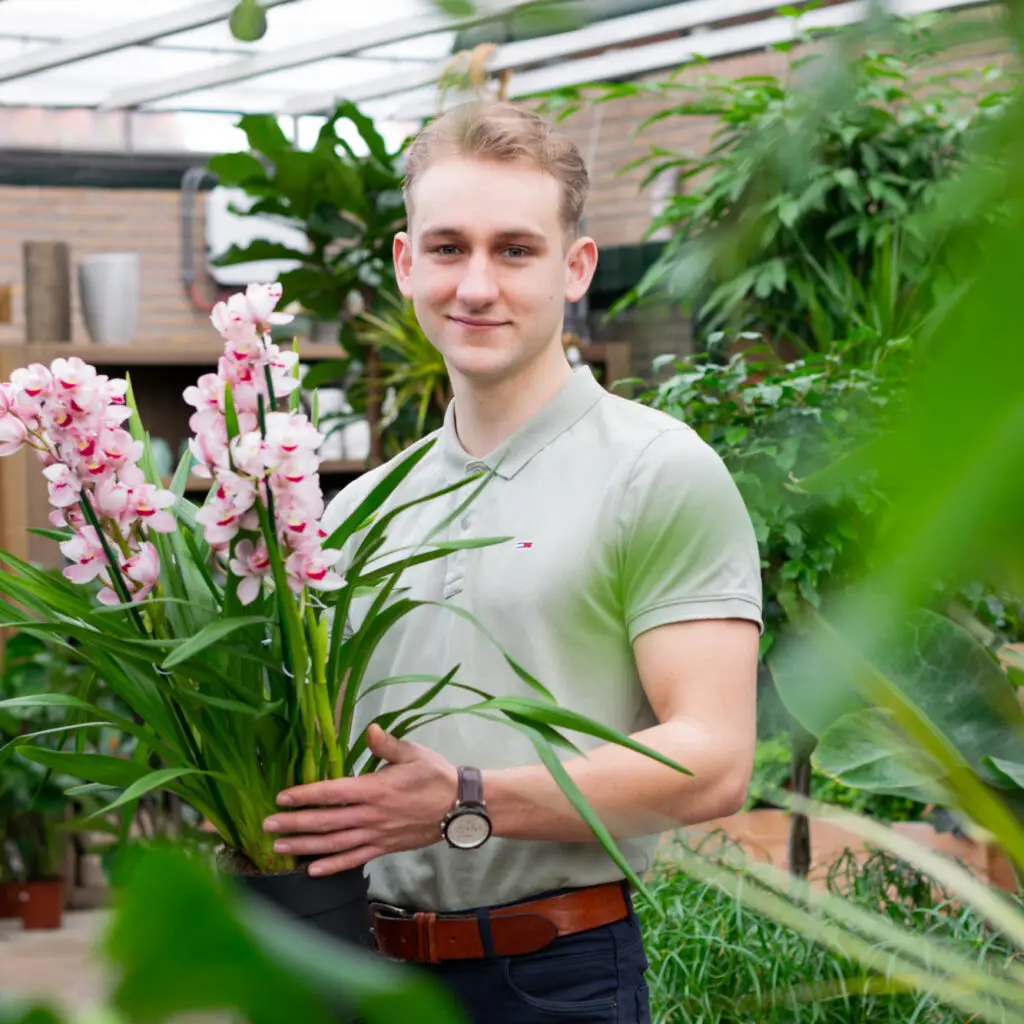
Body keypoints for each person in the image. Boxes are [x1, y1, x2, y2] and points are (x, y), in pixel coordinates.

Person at [262, 101, 763, 1023]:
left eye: (516, 250)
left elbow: (716, 759)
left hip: (549, 975)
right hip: (354, 965)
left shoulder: (659, 472)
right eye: (448, 248)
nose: (477, 285)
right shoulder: (358, 508)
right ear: (408, 264)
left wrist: (463, 802)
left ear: (575, 269)